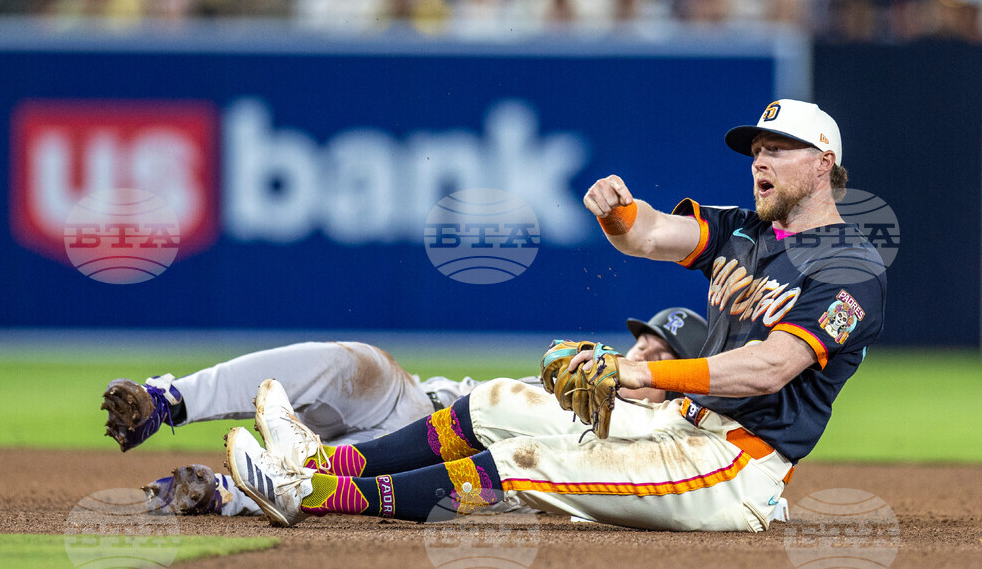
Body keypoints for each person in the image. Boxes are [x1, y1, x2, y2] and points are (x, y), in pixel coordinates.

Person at [225, 98, 885, 531]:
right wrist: (619, 214)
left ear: (824, 164)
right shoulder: (749, 232)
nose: (760, 159)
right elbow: (652, 235)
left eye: (779, 148)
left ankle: (310, 491)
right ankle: (324, 459)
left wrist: (633, 376)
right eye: (757, 149)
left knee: (528, 460)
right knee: (494, 402)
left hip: (736, 463)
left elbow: (770, 368)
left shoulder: (849, 269)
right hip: (673, 423)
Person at [103, 309, 706, 516]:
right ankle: (165, 401)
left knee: (346, 468)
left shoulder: (659, 443)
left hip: (439, 473)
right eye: (642, 344)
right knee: (357, 363)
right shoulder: (584, 379)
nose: (641, 354)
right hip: (420, 410)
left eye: (661, 354)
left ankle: (230, 494)